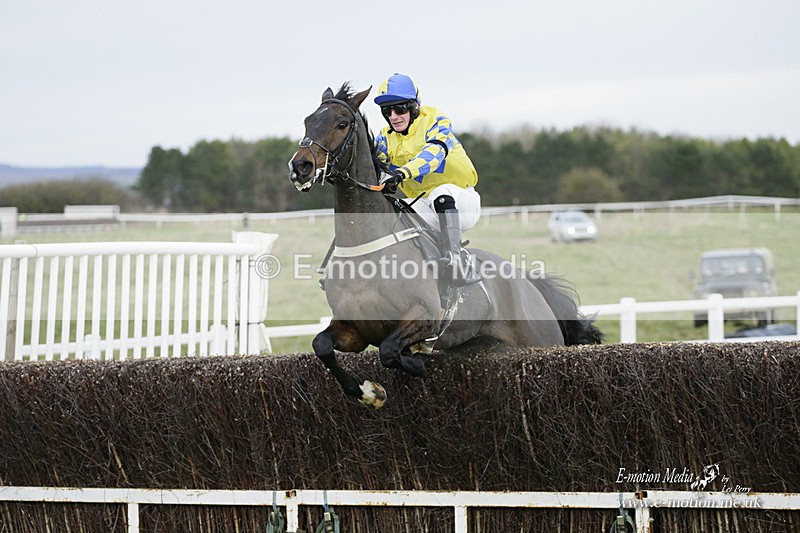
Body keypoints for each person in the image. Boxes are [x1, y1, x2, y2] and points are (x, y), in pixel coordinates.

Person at [374, 73, 481, 285]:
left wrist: (402, 173)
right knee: (391, 213)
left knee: (441, 193)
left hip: (461, 201)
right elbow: (377, 168)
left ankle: (457, 259)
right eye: (387, 111)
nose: (393, 116)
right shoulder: (385, 137)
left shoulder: (436, 120)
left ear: (414, 106)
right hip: (424, 204)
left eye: (399, 109)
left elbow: (433, 155)